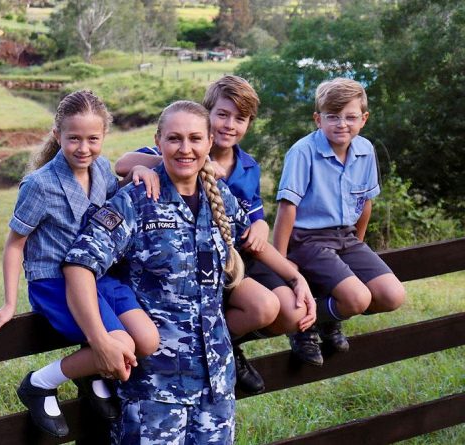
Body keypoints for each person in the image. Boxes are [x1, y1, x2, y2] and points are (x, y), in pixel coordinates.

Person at [63, 100, 311, 444]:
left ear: (210, 142)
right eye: (175, 138)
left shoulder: (219, 196)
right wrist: (100, 340)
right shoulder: (136, 199)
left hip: (215, 383)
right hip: (155, 389)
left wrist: (297, 279)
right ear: (158, 141)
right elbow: (79, 265)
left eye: (195, 138)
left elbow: (253, 242)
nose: (185, 148)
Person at [115, 76, 316, 394]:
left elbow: (251, 218)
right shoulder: (182, 144)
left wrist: (290, 269)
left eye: (240, 118)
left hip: (231, 259)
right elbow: (123, 163)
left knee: (274, 307)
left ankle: (224, 345)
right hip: (178, 263)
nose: (229, 125)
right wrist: (177, 166)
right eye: (222, 114)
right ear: (206, 113)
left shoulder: (247, 166)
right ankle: (203, 350)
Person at [0, 90, 161, 438]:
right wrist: (9, 301)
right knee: (120, 345)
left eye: (93, 139)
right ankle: (39, 383)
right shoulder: (40, 185)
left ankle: (94, 372)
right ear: (57, 134)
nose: (83, 148)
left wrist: (140, 167)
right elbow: (15, 244)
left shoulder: (103, 170)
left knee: (147, 339)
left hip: (99, 276)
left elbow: (117, 196)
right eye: (73, 138)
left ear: (104, 137)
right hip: (54, 282)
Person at [272, 78, 406, 366]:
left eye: (350, 117)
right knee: (356, 298)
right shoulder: (303, 152)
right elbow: (287, 208)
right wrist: (280, 262)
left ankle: (327, 315)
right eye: (332, 117)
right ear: (318, 119)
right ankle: (302, 324)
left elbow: (365, 202)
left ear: (364, 119)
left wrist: (358, 244)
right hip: (307, 239)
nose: (342, 124)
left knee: (391, 295)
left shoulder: (365, 150)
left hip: (345, 236)